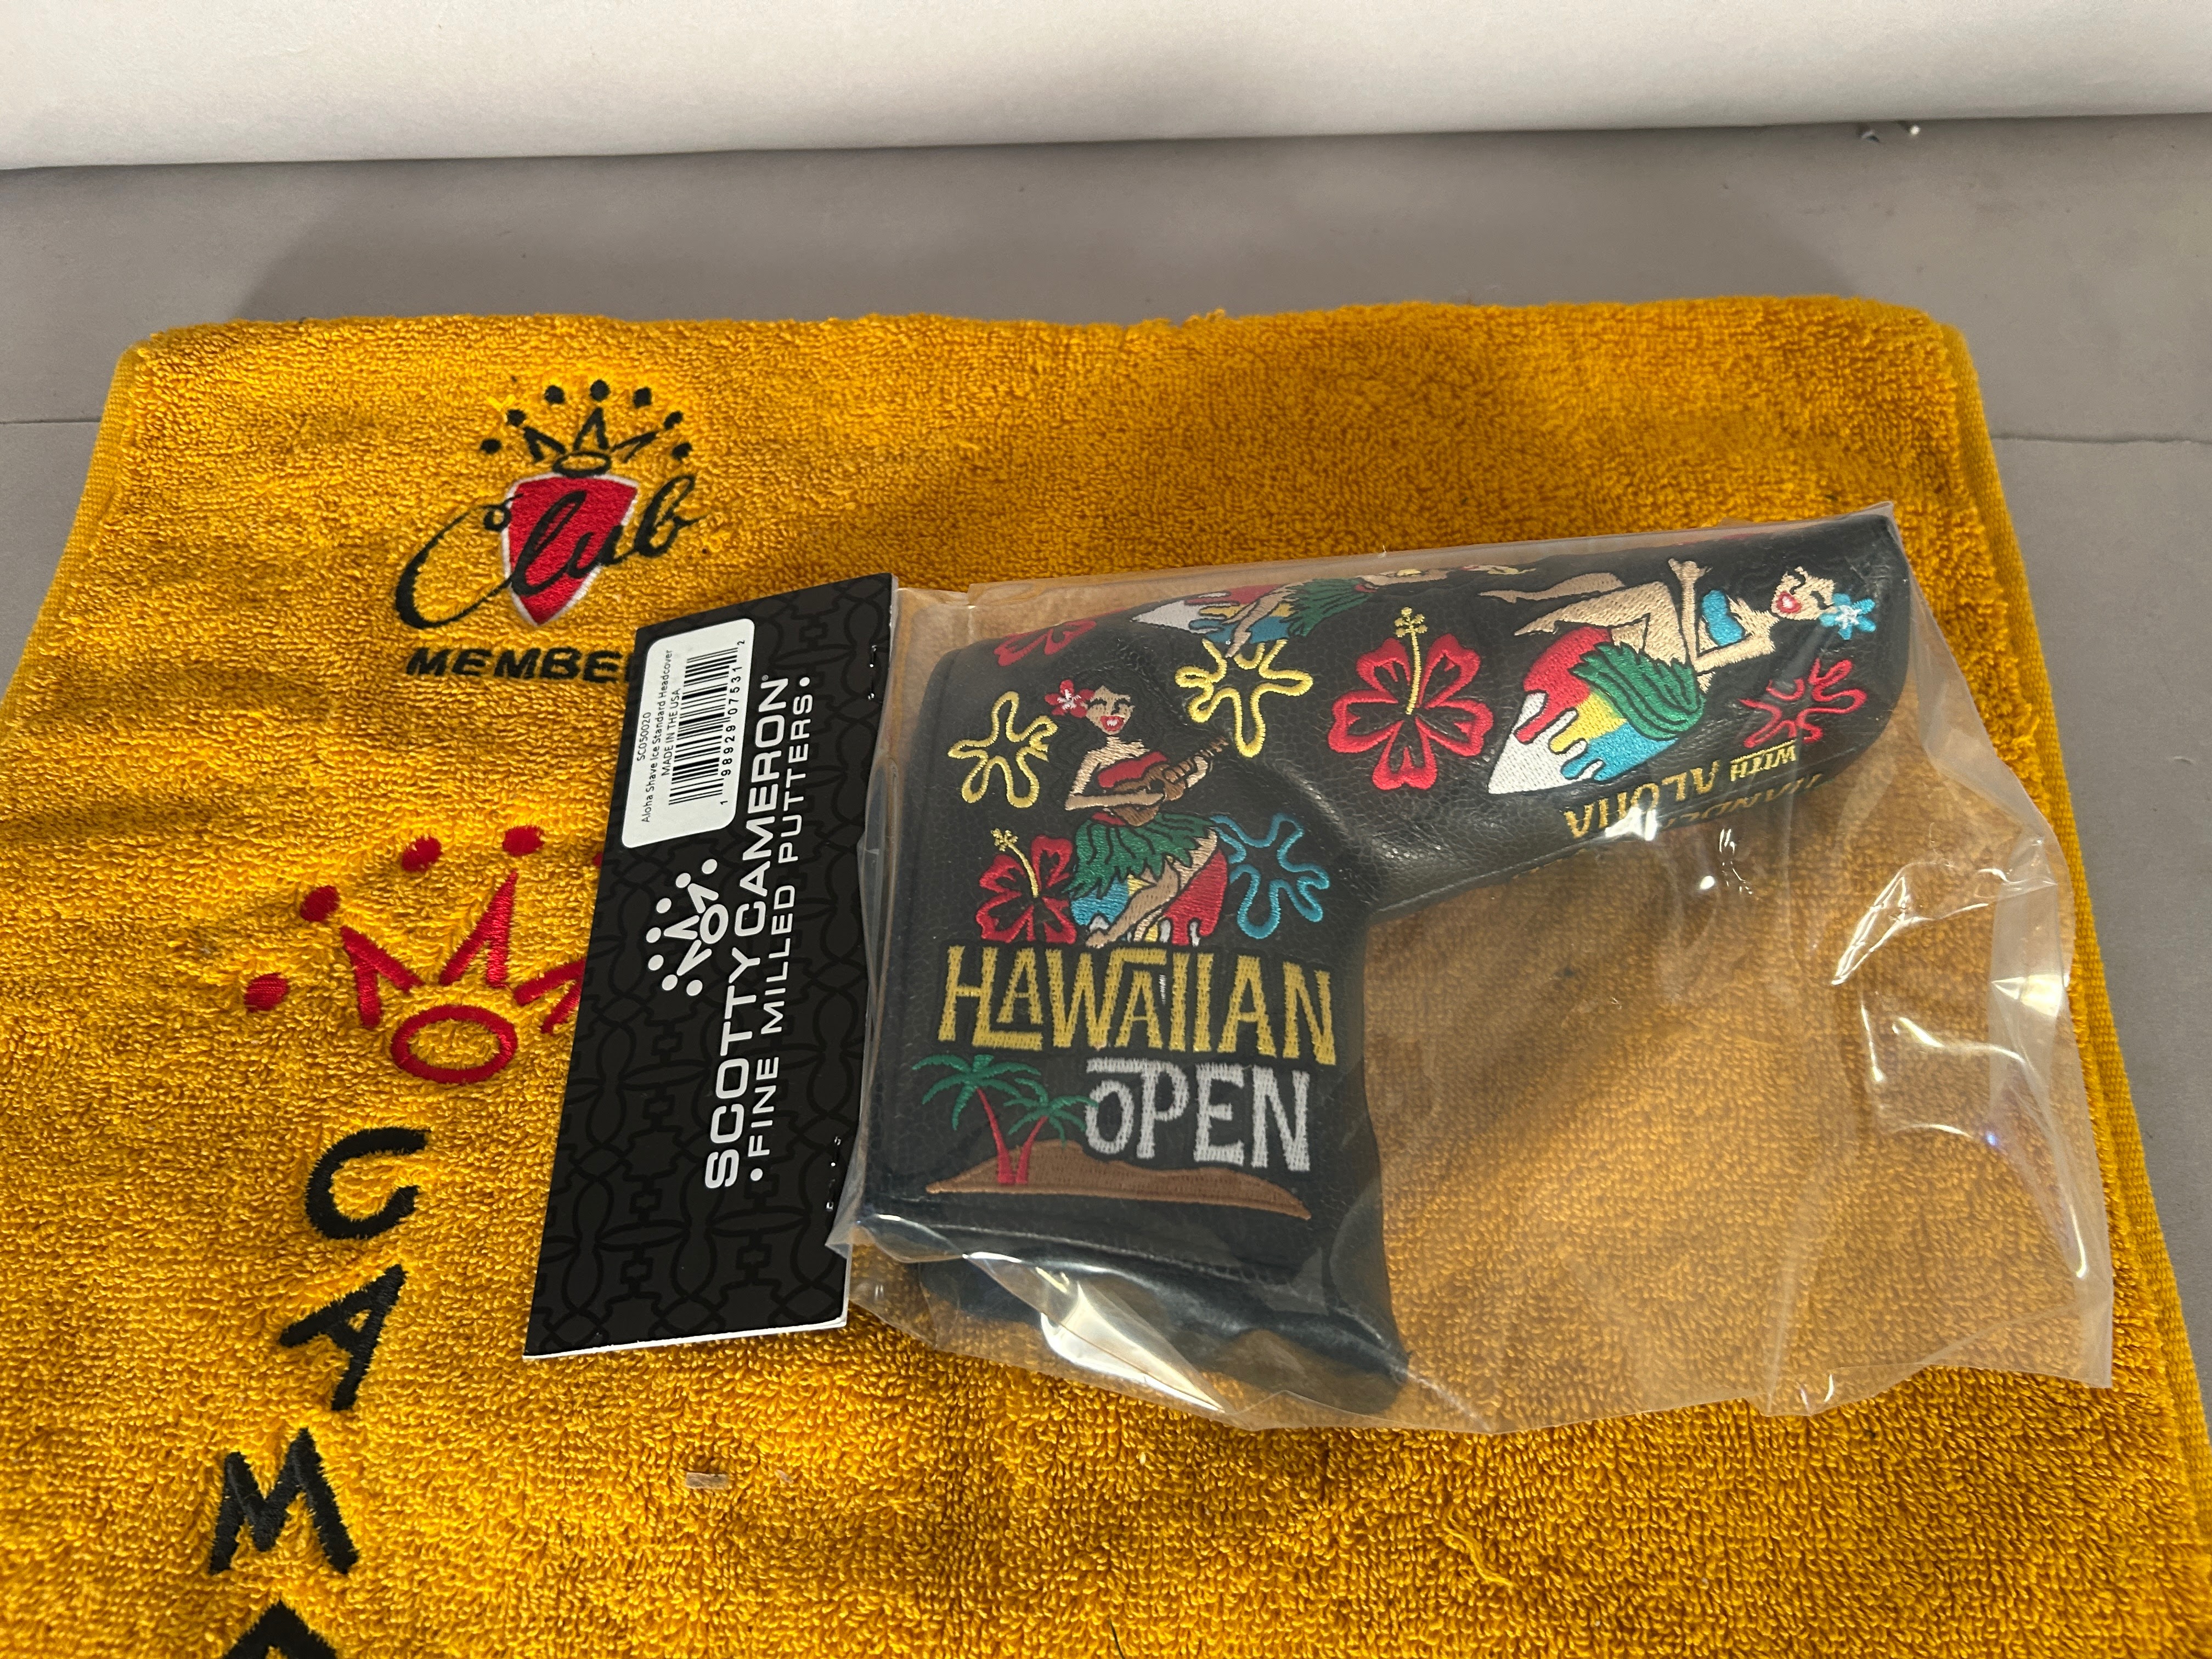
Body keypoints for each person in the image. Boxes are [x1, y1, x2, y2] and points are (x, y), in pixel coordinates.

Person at [1063, 684, 1221, 947]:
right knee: (1168, 884)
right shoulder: (1095, 757)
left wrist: (1197, 774)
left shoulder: (1146, 751)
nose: (1112, 713)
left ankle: (1144, 921)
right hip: (1112, 830)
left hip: (1147, 823)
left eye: (1120, 705)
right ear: (1087, 712)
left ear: (1133, 709)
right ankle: (1113, 935)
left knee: (1206, 841)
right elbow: (1073, 802)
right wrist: (1131, 799)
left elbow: (1164, 792)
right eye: (1101, 705)